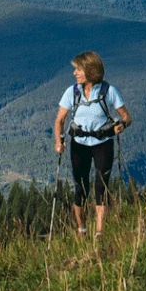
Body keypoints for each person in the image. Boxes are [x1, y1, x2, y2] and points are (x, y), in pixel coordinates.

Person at [53, 51, 130, 238]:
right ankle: (82, 229)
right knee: (80, 187)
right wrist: (58, 141)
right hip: (79, 144)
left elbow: (127, 117)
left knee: (101, 187)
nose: (75, 73)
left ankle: (100, 232)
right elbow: (60, 120)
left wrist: (122, 125)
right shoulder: (72, 92)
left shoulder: (109, 92)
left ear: (91, 70)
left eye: (78, 69)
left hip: (103, 143)